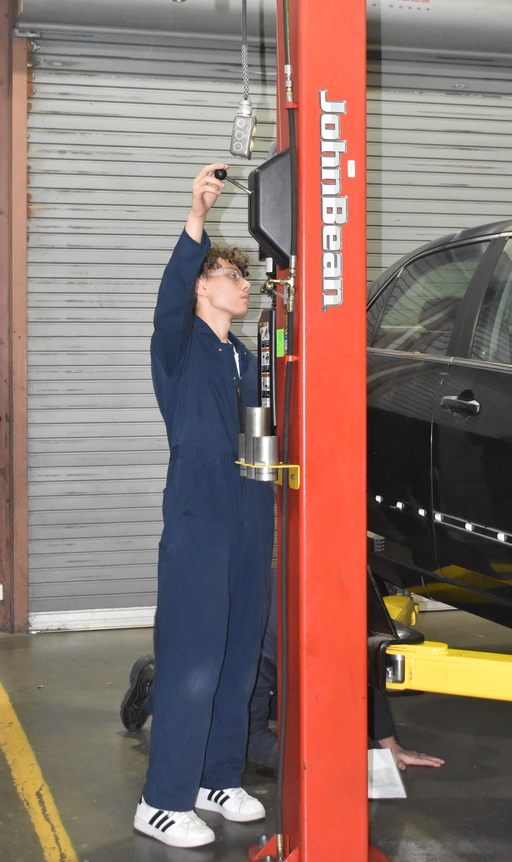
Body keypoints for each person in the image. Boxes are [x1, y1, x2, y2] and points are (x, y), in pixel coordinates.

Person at [132, 164, 274, 849]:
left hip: (250, 507)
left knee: (239, 647)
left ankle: (217, 778)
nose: (244, 285)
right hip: (199, 510)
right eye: (231, 275)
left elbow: (263, 436)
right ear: (199, 286)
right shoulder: (180, 347)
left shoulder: (245, 360)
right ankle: (162, 799)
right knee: (193, 653)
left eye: (245, 277)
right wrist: (196, 216)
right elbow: (167, 300)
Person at [123, 578, 445, 778]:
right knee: (197, 717)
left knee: (321, 708)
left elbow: (360, 677)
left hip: (275, 656)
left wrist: (391, 747)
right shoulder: (256, 654)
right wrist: (316, 765)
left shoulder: (333, 612)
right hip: (211, 662)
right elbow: (248, 737)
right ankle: (151, 685)